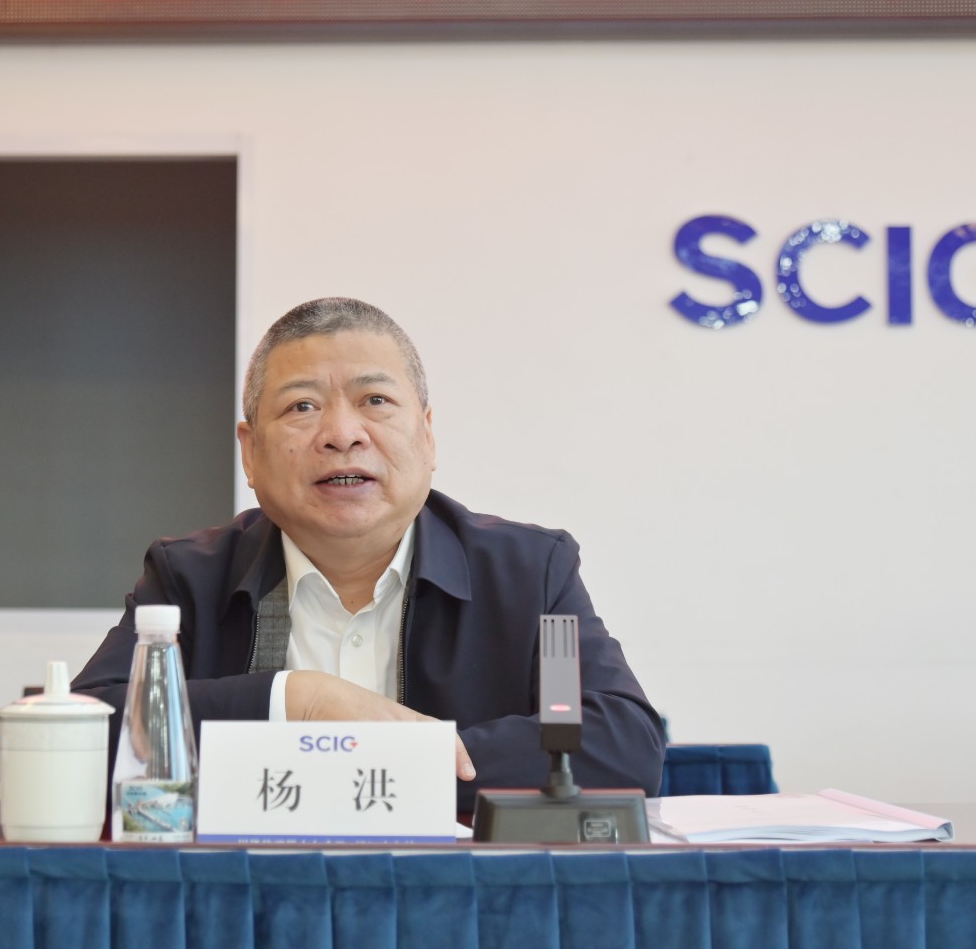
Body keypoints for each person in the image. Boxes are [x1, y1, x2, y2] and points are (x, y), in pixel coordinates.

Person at [72, 297, 665, 810]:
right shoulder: (190, 576)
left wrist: (400, 761)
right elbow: (83, 734)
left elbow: (623, 745)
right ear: (249, 453)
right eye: (302, 407)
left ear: (427, 435)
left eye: (375, 400)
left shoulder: (527, 571)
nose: (342, 434)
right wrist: (295, 701)